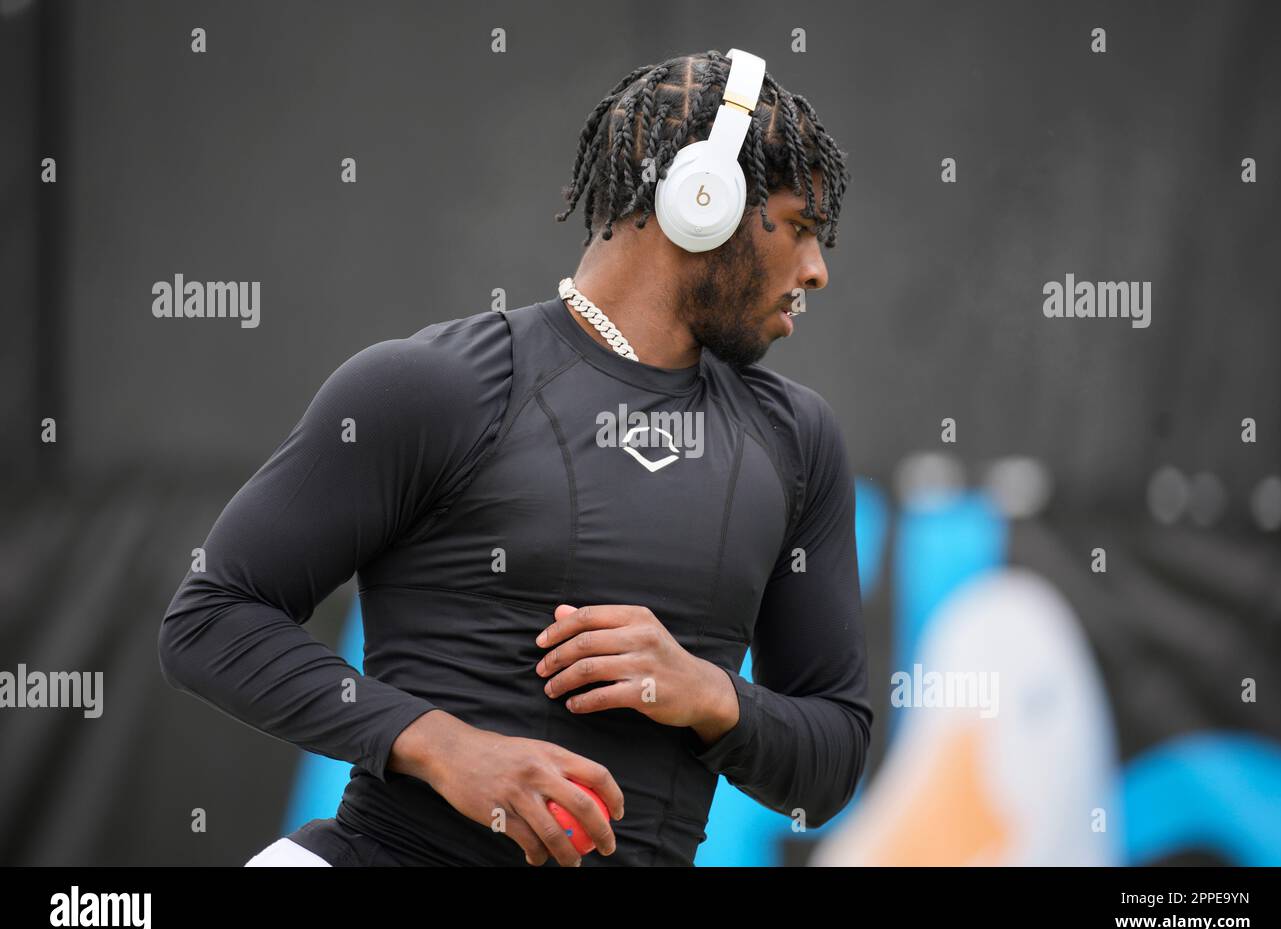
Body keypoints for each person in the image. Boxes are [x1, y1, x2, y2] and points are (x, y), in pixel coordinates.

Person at [158, 48, 872, 867]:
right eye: (802, 227)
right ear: (703, 201)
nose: (814, 271)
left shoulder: (797, 440)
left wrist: (713, 696)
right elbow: (210, 619)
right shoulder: (433, 385)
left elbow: (831, 766)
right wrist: (440, 744)